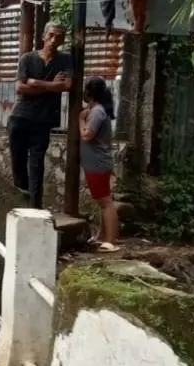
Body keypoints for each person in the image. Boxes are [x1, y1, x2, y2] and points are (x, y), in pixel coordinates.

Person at [9, 21, 72, 207]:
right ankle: (21, 202)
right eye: (51, 35)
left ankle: (35, 207)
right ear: (44, 36)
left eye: (59, 36)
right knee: (17, 163)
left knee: (37, 165)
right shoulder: (28, 58)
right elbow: (20, 88)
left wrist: (35, 83)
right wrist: (52, 86)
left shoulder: (65, 59)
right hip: (20, 117)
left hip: (43, 119)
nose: (54, 40)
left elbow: (67, 85)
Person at [80, 77, 119, 251]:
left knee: (105, 201)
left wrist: (80, 120)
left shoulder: (97, 112)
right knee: (103, 200)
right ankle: (104, 237)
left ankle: (111, 240)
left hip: (98, 163)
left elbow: (87, 135)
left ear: (89, 93)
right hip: (94, 162)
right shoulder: (98, 111)